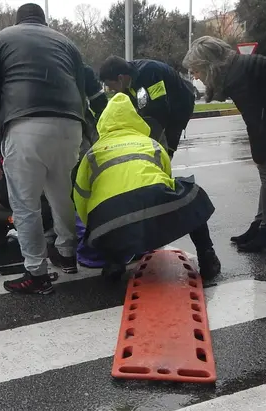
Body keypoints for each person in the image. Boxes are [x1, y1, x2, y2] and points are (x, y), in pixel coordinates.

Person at [0, 3, 87, 295]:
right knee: (62, 194)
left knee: (25, 204)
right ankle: (67, 254)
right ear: (44, 22)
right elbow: (83, 89)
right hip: (70, 125)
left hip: (25, 126)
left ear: (18, 20)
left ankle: (36, 273)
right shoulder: (67, 43)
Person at [182, 36, 266, 253]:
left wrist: (259, 155)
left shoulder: (238, 77)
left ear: (208, 66)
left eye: (196, 71)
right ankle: (260, 225)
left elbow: (256, 121)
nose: (196, 77)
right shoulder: (236, 69)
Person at [73, 92, 221, 281]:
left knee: (111, 219)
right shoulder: (152, 144)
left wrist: (94, 231)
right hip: (156, 208)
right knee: (192, 193)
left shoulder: (92, 154)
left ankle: (114, 263)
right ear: (135, 119)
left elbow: (80, 198)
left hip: (108, 226)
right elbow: (167, 181)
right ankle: (207, 256)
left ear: (104, 122)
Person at [98, 56, 195, 159]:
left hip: (179, 106)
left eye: (110, 85)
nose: (111, 90)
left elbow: (159, 109)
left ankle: (161, 168)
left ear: (120, 78)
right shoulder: (128, 79)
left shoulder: (149, 73)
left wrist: (148, 141)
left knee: (163, 148)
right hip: (161, 107)